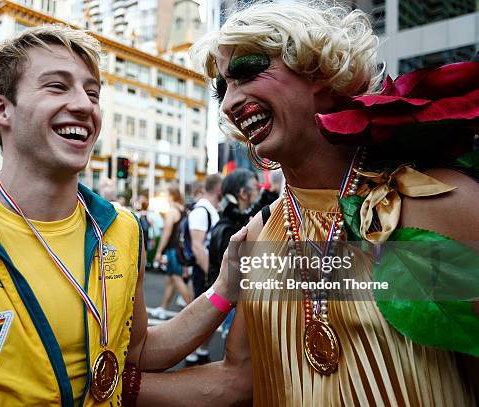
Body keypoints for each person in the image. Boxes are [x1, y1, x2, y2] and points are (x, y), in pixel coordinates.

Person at [0, 24, 246, 406]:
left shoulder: (122, 230)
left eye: (92, 92)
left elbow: (135, 351)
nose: (84, 105)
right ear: (0, 108)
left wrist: (224, 290)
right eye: (57, 86)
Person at [134, 1, 478, 405]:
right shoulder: (262, 233)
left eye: (247, 72)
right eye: (223, 89)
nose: (229, 103)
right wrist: (97, 389)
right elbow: (240, 379)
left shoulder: (437, 202)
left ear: (320, 72)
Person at [186, 173, 222, 364]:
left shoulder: (211, 210)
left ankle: (201, 352)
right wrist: (213, 275)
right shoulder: (201, 211)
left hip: (210, 271)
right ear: (219, 189)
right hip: (205, 272)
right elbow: (197, 247)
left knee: (211, 316)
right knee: (201, 315)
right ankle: (191, 356)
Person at [207, 169, 259, 288]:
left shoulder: (237, 223)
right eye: (256, 188)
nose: (259, 192)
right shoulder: (227, 231)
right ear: (243, 193)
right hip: (227, 303)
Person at [153, 186, 193, 319]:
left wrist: (159, 251)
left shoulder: (172, 211)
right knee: (170, 280)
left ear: (171, 196)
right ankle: (163, 308)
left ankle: (193, 310)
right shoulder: (183, 210)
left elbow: (167, 232)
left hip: (173, 250)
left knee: (176, 278)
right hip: (180, 250)